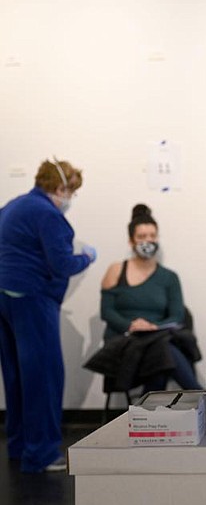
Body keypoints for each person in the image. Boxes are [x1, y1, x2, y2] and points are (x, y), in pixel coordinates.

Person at [0, 157, 97, 473]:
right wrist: (86, 257)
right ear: (61, 187)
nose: (70, 198)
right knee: (43, 377)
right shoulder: (48, 214)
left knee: (16, 376)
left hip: (4, 298)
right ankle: (41, 454)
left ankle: (18, 446)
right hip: (32, 299)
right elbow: (62, 264)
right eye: (72, 191)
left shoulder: (12, 207)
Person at [95, 204, 202, 393]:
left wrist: (152, 328)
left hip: (158, 338)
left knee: (160, 349)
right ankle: (201, 396)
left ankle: (147, 414)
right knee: (162, 352)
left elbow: (177, 316)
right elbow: (107, 312)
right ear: (131, 241)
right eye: (142, 237)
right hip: (125, 342)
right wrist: (132, 325)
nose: (148, 241)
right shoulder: (116, 270)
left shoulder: (169, 277)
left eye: (152, 236)